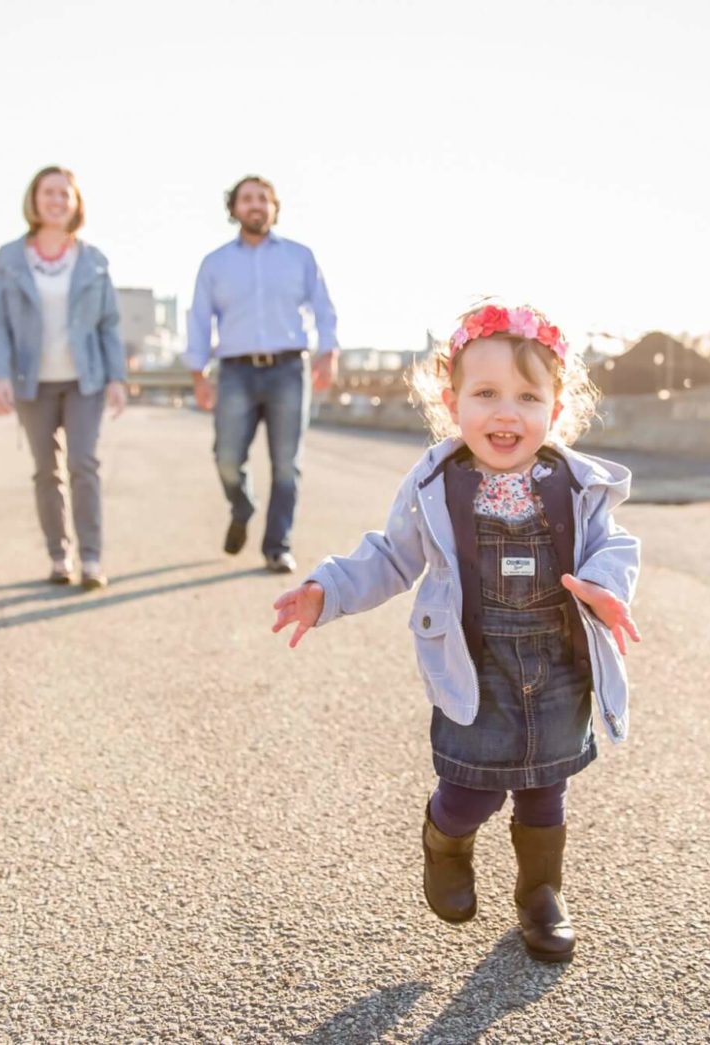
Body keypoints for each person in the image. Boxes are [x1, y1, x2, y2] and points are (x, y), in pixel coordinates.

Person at [271, 303, 642, 962]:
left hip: (556, 667)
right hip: (477, 666)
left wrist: (607, 590)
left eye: (529, 397)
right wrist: (327, 590)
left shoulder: (572, 484)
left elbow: (612, 548)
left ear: (555, 409)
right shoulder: (438, 484)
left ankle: (540, 893)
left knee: (544, 789)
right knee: (473, 790)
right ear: (452, 402)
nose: (507, 413)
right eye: (487, 393)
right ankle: (446, 838)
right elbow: (391, 556)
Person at [186, 174, 339, 574]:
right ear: (234, 208)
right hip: (235, 371)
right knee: (226, 458)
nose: (255, 205)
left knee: (287, 463)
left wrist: (328, 352)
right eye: (246, 199)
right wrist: (198, 374)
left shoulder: (300, 257)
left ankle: (277, 545)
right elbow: (200, 319)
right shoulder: (215, 263)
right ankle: (242, 505)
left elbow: (324, 308)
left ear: (274, 207)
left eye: (263, 199)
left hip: (289, 368)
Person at [0, 166, 127, 591]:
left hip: (85, 380)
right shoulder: (9, 259)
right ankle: (58, 555)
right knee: (46, 470)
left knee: (84, 464)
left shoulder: (94, 261)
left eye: (65, 193)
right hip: (33, 382)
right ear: (34, 199)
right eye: (49, 192)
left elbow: (109, 324)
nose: (56, 200)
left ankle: (91, 557)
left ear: (76, 202)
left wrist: (117, 377)